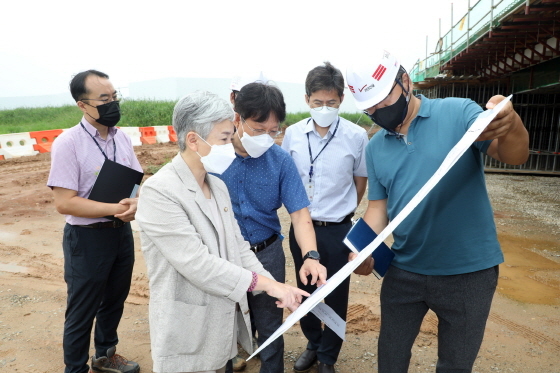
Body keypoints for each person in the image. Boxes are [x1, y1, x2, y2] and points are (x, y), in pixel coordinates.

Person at [346, 49, 529, 373]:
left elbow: (513, 155)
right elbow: (378, 208)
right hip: (405, 271)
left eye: (382, 101)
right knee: (390, 356)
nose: (377, 112)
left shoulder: (457, 113)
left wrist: (510, 123)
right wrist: (362, 251)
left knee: (456, 364)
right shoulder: (375, 148)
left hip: (470, 273)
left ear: (405, 81)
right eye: (368, 108)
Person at [135, 91, 309, 373]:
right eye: (225, 139)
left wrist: (279, 286)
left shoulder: (217, 188)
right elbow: (198, 264)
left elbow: (238, 248)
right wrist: (268, 284)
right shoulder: (160, 192)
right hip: (187, 326)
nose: (231, 146)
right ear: (193, 140)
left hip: (220, 324)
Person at [217, 81, 327, 373]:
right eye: (258, 129)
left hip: (267, 254)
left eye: (273, 131)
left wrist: (311, 256)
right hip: (222, 255)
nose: (266, 137)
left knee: (271, 328)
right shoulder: (213, 157)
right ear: (237, 118)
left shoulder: (280, 162)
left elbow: (300, 215)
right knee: (223, 327)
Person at [47, 70, 142, 373]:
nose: (112, 104)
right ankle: (75, 368)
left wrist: (136, 203)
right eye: (104, 99)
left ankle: (105, 355)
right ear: (82, 105)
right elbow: (64, 202)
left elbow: (138, 180)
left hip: (120, 233)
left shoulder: (121, 138)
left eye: (114, 97)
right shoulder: (68, 143)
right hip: (86, 238)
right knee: (82, 308)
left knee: (115, 299)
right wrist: (117, 206)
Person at [281, 62, 369, 373]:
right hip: (300, 229)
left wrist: (342, 212)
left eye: (331, 102)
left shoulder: (356, 136)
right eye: (318, 102)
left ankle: (329, 356)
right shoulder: (292, 134)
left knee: (336, 294)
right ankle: (313, 343)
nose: (324, 108)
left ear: (341, 100)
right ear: (307, 100)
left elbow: (360, 182)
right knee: (305, 288)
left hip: (337, 230)